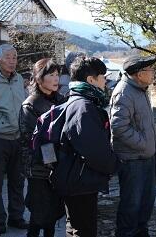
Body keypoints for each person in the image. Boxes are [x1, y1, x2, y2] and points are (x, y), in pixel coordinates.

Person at [59, 56, 119, 237]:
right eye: (103, 77)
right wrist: (114, 165)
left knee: (76, 226)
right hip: (80, 180)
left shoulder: (76, 100)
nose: (106, 81)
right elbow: (94, 150)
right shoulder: (83, 107)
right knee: (84, 230)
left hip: (76, 177)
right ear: (91, 80)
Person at [110, 55, 156, 237]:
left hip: (145, 157)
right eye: (150, 70)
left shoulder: (140, 89)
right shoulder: (124, 92)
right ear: (139, 74)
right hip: (132, 160)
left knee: (146, 202)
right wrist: (144, 143)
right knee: (131, 205)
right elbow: (119, 127)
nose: (153, 73)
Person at [19, 58, 65, 237]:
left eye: (57, 75)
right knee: (39, 214)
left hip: (57, 166)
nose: (56, 79)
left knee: (52, 214)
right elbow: (34, 141)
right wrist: (52, 164)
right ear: (39, 79)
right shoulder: (30, 105)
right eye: (51, 75)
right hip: (38, 168)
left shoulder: (61, 100)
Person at [0, 43, 28, 234]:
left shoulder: (19, 79)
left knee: (17, 182)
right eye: (8, 57)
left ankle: (16, 217)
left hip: (18, 137)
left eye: (15, 57)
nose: (12, 61)